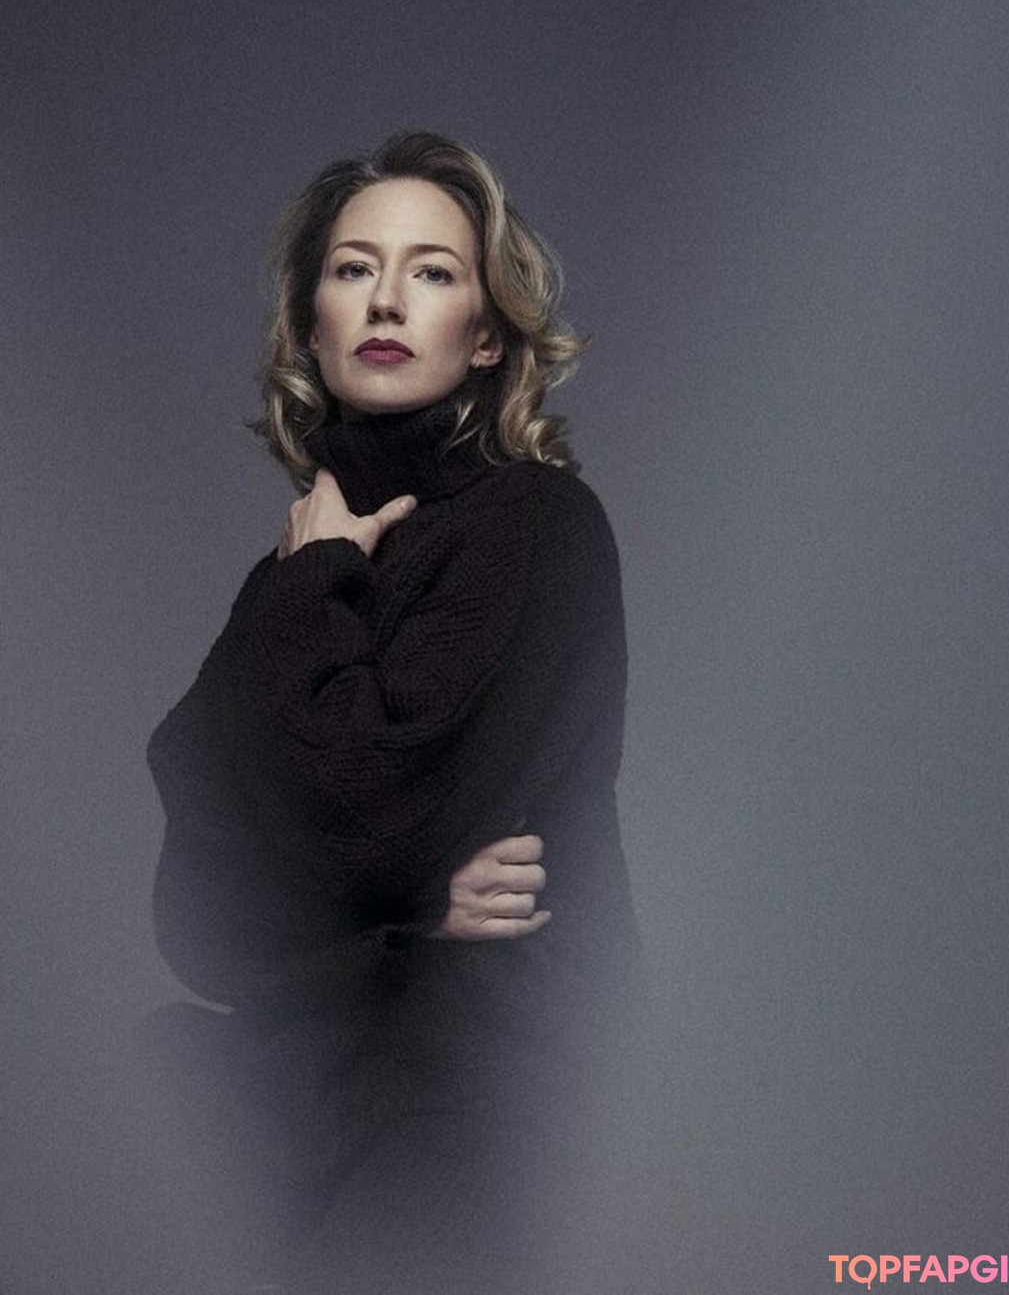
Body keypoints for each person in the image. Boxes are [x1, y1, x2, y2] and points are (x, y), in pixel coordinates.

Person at [145, 131, 642, 1294]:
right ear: (310, 321)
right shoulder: (293, 575)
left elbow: (370, 807)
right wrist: (413, 903)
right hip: (304, 1102)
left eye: (432, 270)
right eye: (354, 266)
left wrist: (369, 876)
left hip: (482, 1104)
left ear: (487, 333)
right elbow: (193, 909)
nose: (385, 298)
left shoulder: (537, 525)